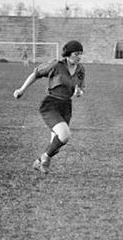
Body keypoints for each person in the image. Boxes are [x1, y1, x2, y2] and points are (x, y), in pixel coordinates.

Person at [13, 40, 85, 174]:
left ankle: (39, 162)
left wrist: (79, 92)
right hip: (51, 104)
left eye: (81, 54)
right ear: (68, 54)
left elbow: (80, 89)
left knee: (55, 146)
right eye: (76, 54)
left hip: (66, 106)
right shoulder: (56, 65)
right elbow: (36, 74)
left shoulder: (81, 69)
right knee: (65, 135)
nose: (79, 56)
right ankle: (44, 158)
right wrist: (22, 90)